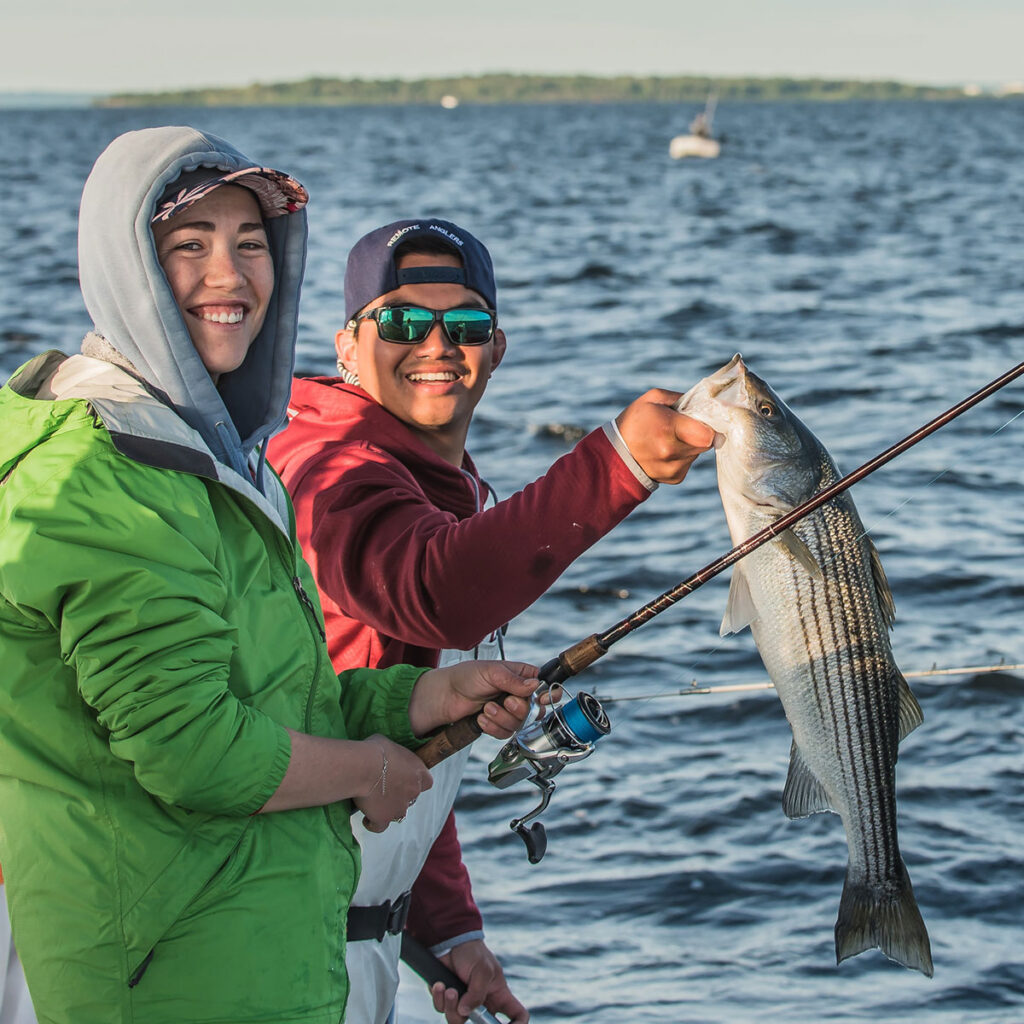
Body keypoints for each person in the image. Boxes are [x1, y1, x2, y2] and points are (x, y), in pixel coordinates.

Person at [0, 128, 541, 1024]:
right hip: (155, 980)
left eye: (250, 244)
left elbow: (277, 703)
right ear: (125, 264)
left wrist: (415, 701)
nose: (230, 274)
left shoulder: (227, 461)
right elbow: (192, 750)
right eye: (188, 245)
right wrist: (370, 768)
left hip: (262, 959)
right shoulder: (97, 472)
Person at [267, 218, 715, 1022]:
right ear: (345, 346)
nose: (436, 344)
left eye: (466, 324)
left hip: (366, 940)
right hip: (281, 940)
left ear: (496, 350)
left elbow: (401, 752)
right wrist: (617, 462)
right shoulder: (327, 467)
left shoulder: (435, 482)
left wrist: (450, 929)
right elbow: (432, 588)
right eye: (402, 321)